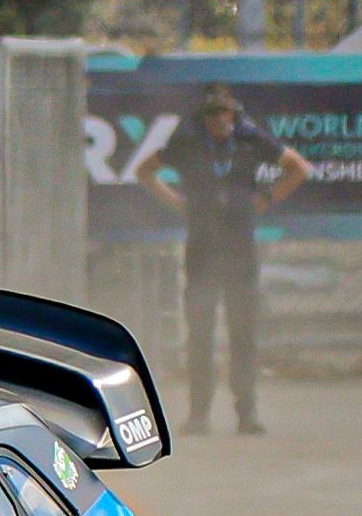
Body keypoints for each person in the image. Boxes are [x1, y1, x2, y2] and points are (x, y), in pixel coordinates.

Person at [132, 85, 314, 436]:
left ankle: (247, 411)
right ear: (204, 117)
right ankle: (199, 412)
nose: (221, 120)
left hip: (239, 248)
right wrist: (179, 203)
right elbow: (145, 171)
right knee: (200, 331)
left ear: (235, 114)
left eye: (226, 113)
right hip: (202, 248)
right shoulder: (186, 143)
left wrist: (266, 199)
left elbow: (298, 168)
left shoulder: (250, 141)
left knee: (242, 330)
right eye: (214, 114)